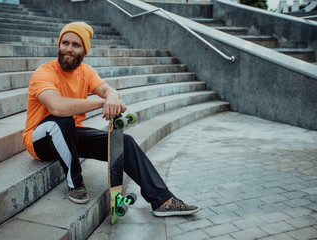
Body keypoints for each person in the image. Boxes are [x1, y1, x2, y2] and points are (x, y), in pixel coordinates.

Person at [22, 22, 199, 217]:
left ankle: (162, 200)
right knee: (61, 120)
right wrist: (102, 103)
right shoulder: (44, 72)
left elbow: (108, 90)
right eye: (65, 43)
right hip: (40, 139)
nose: (68, 49)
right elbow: (57, 107)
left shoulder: (86, 72)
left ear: (84, 51)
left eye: (75, 45)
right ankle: (75, 184)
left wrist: (112, 98)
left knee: (125, 143)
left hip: (69, 134)